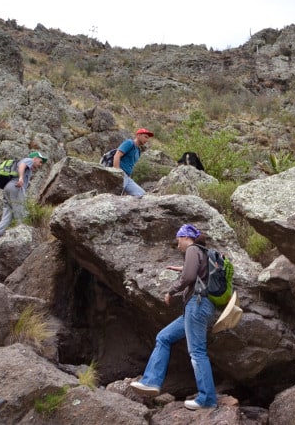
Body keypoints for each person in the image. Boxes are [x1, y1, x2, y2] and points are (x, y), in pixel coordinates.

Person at [130, 224, 218, 410]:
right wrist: (182, 268)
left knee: (197, 352)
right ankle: (151, 382)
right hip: (198, 308)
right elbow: (195, 272)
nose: (177, 244)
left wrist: (171, 290)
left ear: (186, 237)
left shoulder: (193, 249)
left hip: (197, 305)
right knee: (164, 337)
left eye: (178, 239)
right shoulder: (202, 252)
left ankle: (207, 399)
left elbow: (189, 276)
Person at [0, 150, 49, 243]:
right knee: (20, 211)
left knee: (7, 214)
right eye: (40, 161)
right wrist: (21, 178)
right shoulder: (29, 160)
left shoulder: (27, 165)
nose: (40, 164)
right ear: (35, 158)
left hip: (8, 188)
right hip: (16, 187)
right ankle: (23, 237)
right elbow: (22, 165)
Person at [113, 128, 154, 197]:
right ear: (138, 135)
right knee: (117, 196)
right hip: (120, 174)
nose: (147, 140)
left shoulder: (138, 150)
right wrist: (117, 173)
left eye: (148, 138)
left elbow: (131, 165)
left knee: (143, 195)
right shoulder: (129, 143)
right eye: (145, 137)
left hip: (127, 177)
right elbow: (117, 155)